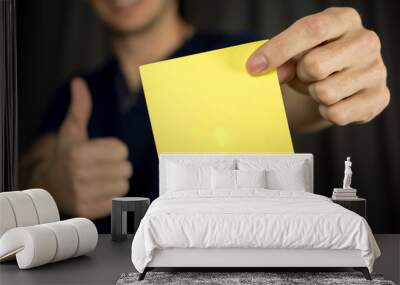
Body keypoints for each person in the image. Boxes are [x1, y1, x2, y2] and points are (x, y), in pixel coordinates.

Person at [19, 0, 390, 233]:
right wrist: (49, 181)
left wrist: (329, 81)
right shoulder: (81, 88)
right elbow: (26, 168)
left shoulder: (236, 58)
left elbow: (297, 99)